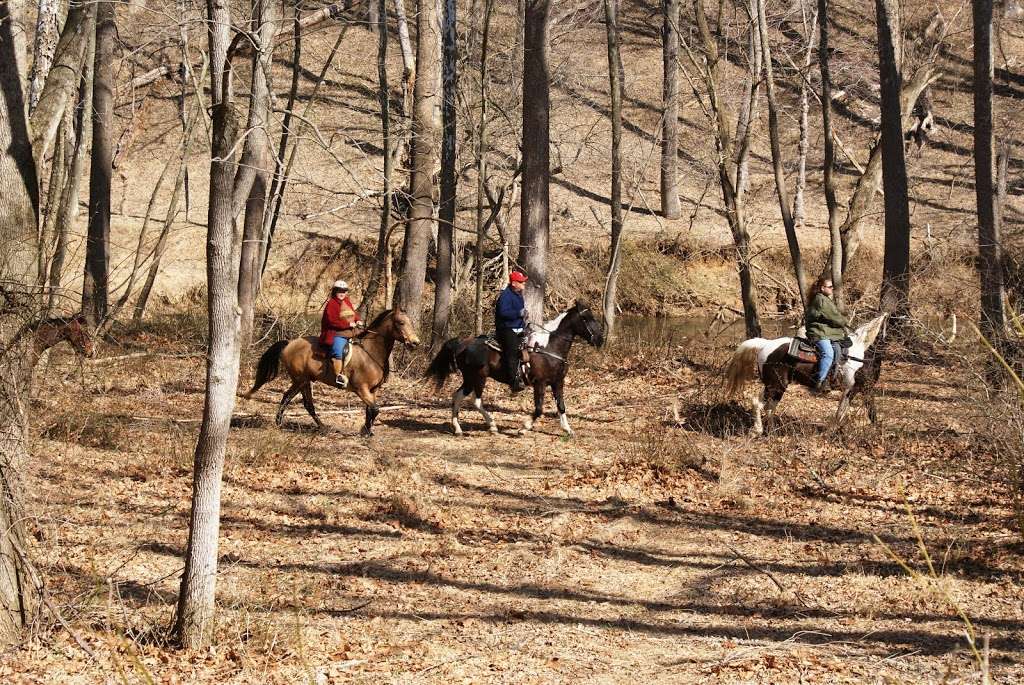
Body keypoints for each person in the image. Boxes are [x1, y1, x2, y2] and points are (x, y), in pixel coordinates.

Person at [805, 277, 851, 393]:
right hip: (818, 332)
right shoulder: (820, 300)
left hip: (825, 331)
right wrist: (844, 322)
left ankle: (832, 378)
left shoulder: (825, 299)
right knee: (828, 354)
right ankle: (819, 382)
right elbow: (833, 316)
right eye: (830, 287)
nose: (832, 288)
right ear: (822, 288)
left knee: (837, 348)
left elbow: (834, 315)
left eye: (832, 286)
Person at [320, 279, 363, 388]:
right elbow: (332, 321)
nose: (342, 293)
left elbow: (352, 314)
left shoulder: (346, 301)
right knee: (337, 352)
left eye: (344, 291)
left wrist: (357, 319)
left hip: (348, 331)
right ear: (335, 291)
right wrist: (348, 325)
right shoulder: (331, 304)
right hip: (335, 332)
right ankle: (338, 376)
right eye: (339, 291)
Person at [495, 271, 528, 393]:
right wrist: (518, 314)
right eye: (521, 281)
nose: (524, 283)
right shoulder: (505, 296)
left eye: (523, 281)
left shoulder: (519, 294)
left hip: (518, 327)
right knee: (513, 352)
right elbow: (503, 313)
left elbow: (519, 313)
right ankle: (513, 382)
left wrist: (524, 317)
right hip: (506, 329)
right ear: (514, 283)